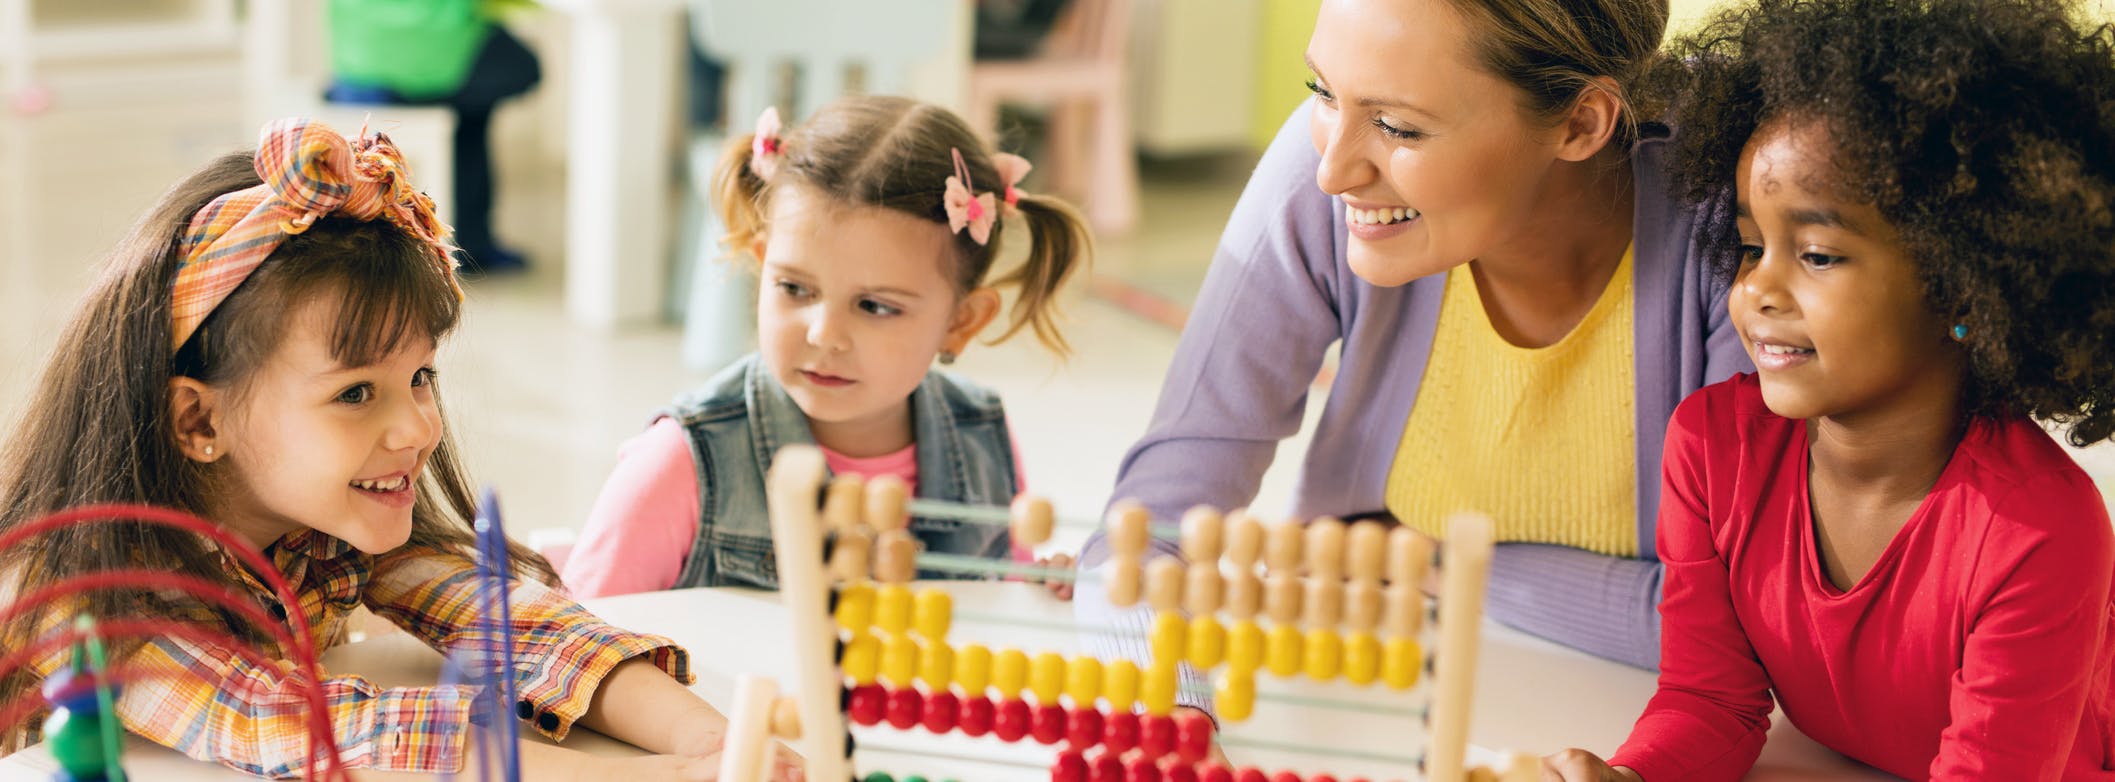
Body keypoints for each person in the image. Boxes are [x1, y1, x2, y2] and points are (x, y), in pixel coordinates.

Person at [0, 119, 794, 780]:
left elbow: (515, 622)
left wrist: (711, 743)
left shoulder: (319, 525)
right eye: (354, 393)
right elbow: (287, 723)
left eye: (419, 376)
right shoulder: (92, 593)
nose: (418, 426)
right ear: (197, 423)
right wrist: (643, 778)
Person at [1077, 0, 1750, 685]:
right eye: (1320, 92)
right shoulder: (1329, 173)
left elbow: (1747, 626)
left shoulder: (1743, 225)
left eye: (1398, 127)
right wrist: (1177, 728)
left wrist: (1428, 561)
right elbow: (1141, 535)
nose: (1331, 171)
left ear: (1580, 123)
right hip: (1373, 678)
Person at [1542, 0, 2115, 778]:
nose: (1756, 290)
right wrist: (1630, 776)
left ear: (1959, 287)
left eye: (1815, 255)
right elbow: (1708, 700)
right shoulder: (1710, 449)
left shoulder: (2036, 528)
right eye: (1749, 246)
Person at [562, 96, 1090, 598]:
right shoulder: (682, 463)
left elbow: (994, 613)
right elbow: (573, 650)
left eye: (875, 306)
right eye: (795, 288)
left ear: (961, 322)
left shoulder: (981, 440)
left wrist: (1040, 592)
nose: (823, 334)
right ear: (762, 263)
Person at [326, 0, 541, 272]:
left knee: (472, 107)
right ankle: (472, 240)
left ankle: (469, 238)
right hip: (421, 50)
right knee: (519, 68)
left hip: (358, 55)